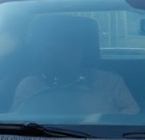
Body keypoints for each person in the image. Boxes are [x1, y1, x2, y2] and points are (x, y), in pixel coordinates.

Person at [11, 16, 140, 115]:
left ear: (82, 52)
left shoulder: (111, 82)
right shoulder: (29, 86)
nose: (59, 56)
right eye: (50, 50)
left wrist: (101, 118)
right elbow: (15, 122)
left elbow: (133, 118)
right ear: (39, 53)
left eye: (67, 49)